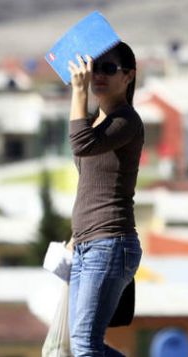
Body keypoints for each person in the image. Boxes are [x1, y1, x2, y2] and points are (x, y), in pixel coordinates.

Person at [65, 41, 144, 356]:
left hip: (110, 244)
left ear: (128, 76)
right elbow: (92, 183)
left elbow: (81, 145)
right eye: (93, 68)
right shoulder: (97, 122)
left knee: (84, 346)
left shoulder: (127, 121)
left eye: (108, 69)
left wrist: (78, 91)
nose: (97, 75)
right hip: (87, 244)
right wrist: (75, 236)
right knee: (78, 346)